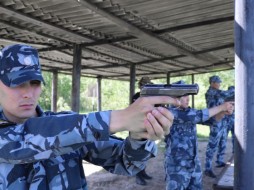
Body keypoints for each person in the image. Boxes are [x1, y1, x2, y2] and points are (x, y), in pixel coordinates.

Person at [0, 44, 176, 189]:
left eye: (35, 83)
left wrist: (139, 135)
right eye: (17, 84)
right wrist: (121, 118)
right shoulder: (71, 128)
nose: (28, 93)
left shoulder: (69, 126)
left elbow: (125, 162)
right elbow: (21, 140)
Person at [164, 80, 234, 190]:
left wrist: (222, 112)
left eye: (188, 95)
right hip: (177, 166)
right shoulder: (170, 112)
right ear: (174, 97)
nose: (188, 98)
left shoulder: (188, 111)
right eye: (184, 95)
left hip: (193, 163)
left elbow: (211, 121)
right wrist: (222, 107)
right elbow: (199, 115)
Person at [204, 76, 234, 178]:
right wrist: (234, 89)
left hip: (222, 120)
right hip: (215, 121)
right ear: (212, 83)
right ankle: (207, 168)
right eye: (218, 82)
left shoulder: (217, 92)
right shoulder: (212, 92)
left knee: (222, 141)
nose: (219, 84)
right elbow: (226, 94)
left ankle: (219, 161)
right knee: (212, 145)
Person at [132, 77, 154, 186]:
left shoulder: (152, 97)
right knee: (138, 153)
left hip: (147, 127)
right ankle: (138, 176)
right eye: (144, 85)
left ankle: (143, 172)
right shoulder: (136, 97)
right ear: (140, 86)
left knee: (146, 152)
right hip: (138, 128)